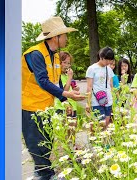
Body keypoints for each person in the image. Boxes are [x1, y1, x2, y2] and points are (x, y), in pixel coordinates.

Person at [22, 17, 85, 180]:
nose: (66, 38)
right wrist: (67, 94)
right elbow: (42, 81)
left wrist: (65, 100)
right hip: (29, 107)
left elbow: (55, 82)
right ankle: (46, 175)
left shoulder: (56, 56)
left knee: (46, 143)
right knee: (37, 146)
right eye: (64, 35)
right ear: (55, 37)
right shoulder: (36, 54)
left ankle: (42, 173)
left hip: (46, 106)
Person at [85, 47, 115, 127]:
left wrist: (114, 100)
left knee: (107, 124)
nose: (108, 62)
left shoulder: (109, 69)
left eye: (110, 60)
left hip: (108, 100)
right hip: (96, 101)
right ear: (101, 57)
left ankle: (104, 140)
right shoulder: (92, 69)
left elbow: (111, 86)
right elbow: (89, 87)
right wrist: (88, 103)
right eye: (106, 59)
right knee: (100, 124)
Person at [54, 51, 80, 117]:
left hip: (72, 105)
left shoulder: (66, 75)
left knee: (73, 126)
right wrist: (70, 77)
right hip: (62, 106)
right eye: (64, 62)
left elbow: (69, 88)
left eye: (68, 63)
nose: (67, 65)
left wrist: (75, 89)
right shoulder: (57, 76)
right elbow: (64, 91)